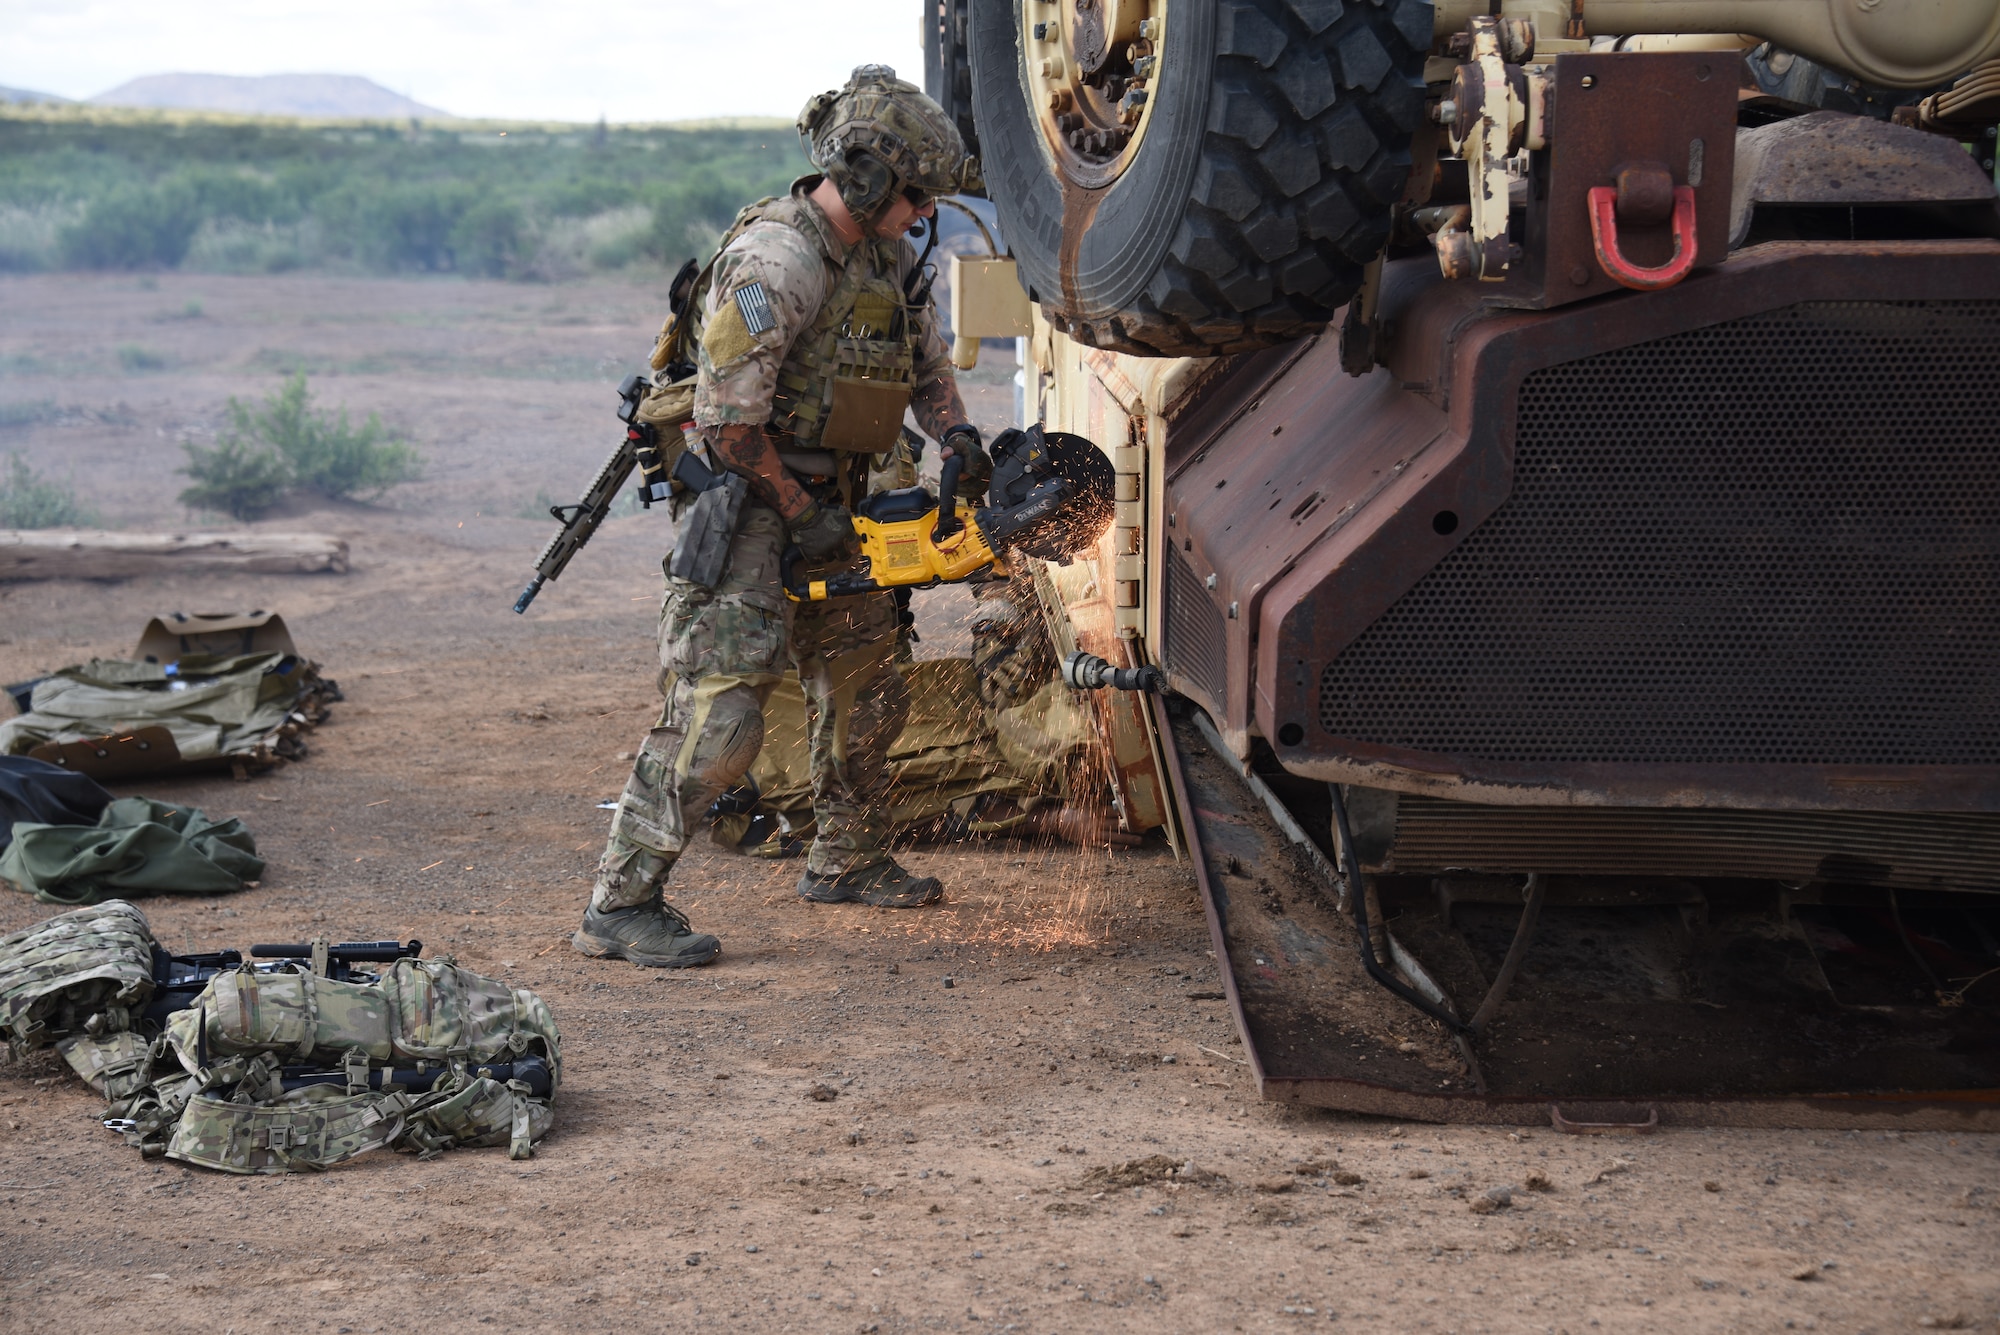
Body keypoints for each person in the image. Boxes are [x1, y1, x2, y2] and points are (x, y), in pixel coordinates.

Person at [573, 65, 989, 969]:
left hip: (838, 503)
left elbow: (926, 376)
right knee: (721, 722)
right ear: (872, 177)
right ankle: (622, 902)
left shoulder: (887, 260)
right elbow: (727, 425)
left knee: (870, 686)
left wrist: (958, 439)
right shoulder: (778, 260)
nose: (925, 216)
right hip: (754, 505)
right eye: (916, 196)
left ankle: (847, 856)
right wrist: (803, 515)